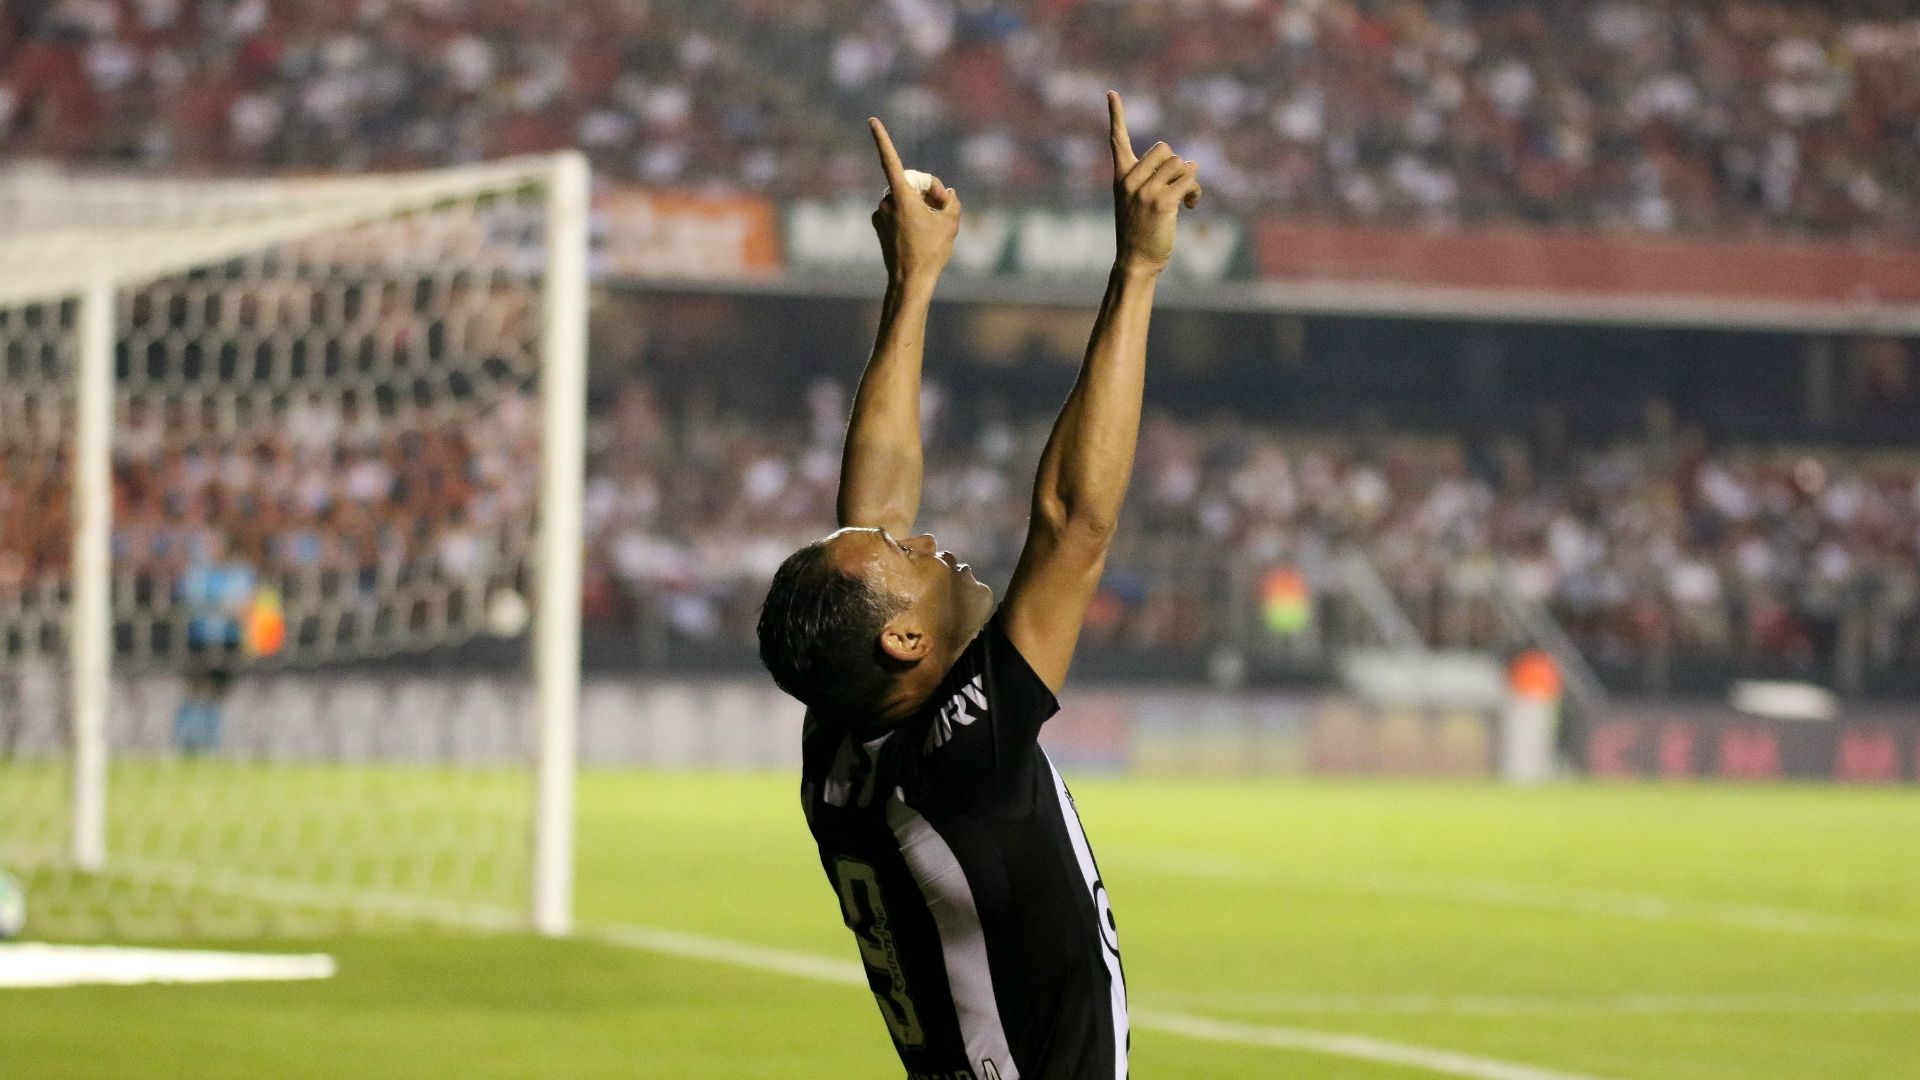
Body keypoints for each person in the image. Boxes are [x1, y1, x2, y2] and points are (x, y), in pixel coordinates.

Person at [757, 92, 1200, 1080]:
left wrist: (912, 283)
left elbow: (869, 509)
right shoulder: (959, 765)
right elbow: (1073, 527)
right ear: (904, 644)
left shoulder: (841, 730)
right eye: (914, 562)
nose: (932, 546)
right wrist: (1137, 269)